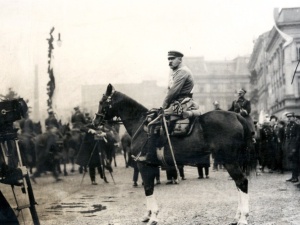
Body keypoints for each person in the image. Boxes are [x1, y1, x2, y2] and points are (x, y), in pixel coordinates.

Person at [137, 50, 194, 163]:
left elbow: (173, 91)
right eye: (168, 59)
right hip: (177, 102)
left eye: (172, 59)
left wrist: (163, 106)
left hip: (182, 103)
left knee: (153, 123)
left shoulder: (182, 72)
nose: (170, 61)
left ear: (180, 59)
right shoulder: (176, 71)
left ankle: (151, 156)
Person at [285, 112, 300, 183]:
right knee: (292, 161)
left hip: (294, 145)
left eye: (290, 117)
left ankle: (296, 177)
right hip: (289, 144)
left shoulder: (297, 125)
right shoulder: (288, 125)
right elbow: (287, 136)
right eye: (288, 117)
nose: (289, 118)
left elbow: (298, 137)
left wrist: (295, 147)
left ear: (294, 117)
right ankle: (293, 176)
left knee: (295, 161)